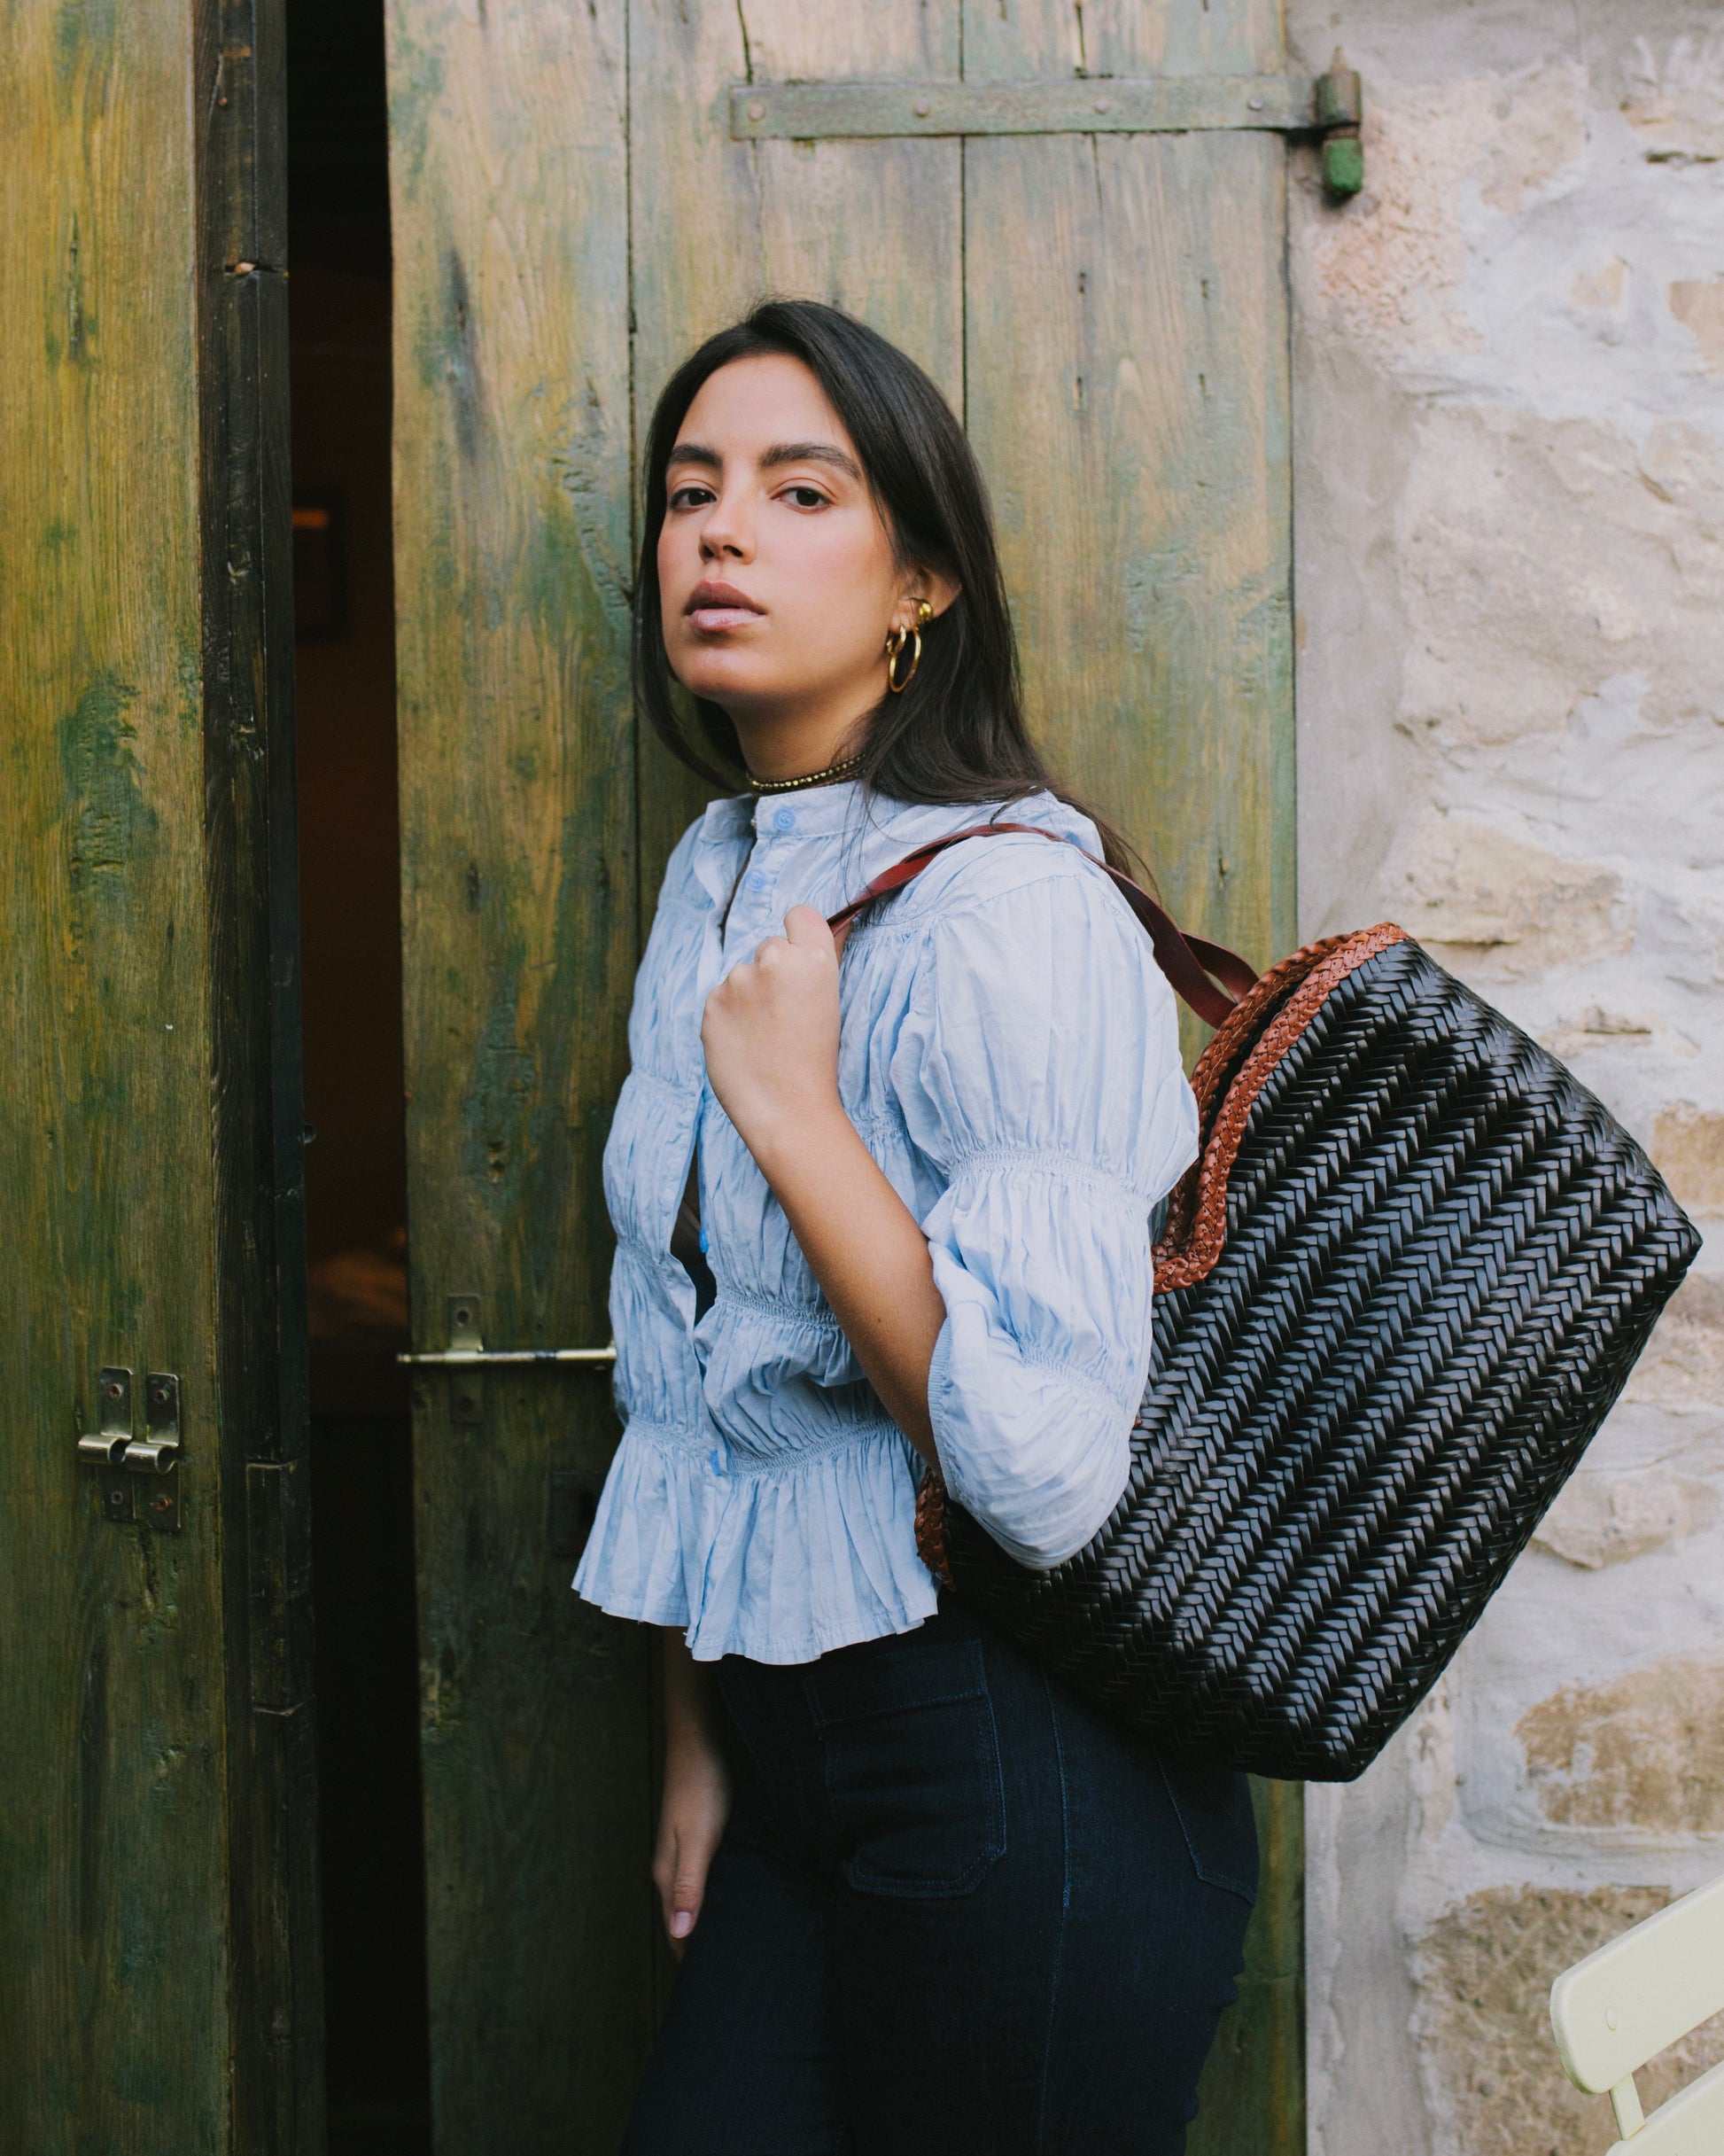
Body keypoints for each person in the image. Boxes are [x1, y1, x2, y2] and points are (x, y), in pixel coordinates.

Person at [572, 300, 1258, 2156]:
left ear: (920, 582)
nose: (719, 532)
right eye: (690, 489)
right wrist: (706, 1745)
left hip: (1018, 1763)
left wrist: (794, 1113)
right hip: (795, 1761)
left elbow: (1035, 1470)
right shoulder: (718, 869)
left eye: (802, 491)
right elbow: (695, 1374)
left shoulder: (1006, 907)